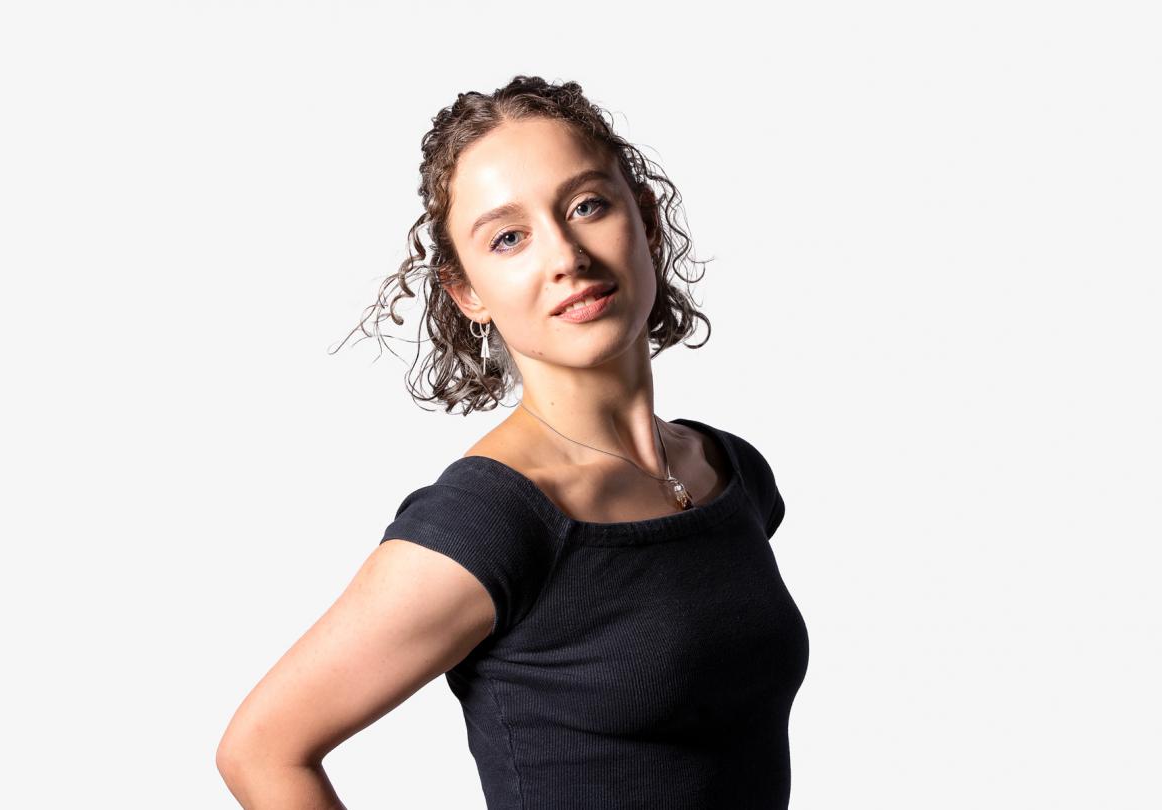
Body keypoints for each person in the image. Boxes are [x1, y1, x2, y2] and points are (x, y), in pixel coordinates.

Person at [216, 75, 808, 810]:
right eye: (508, 237)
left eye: (587, 205)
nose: (565, 255)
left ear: (644, 219)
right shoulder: (491, 519)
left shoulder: (730, 473)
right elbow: (263, 752)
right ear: (468, 292)